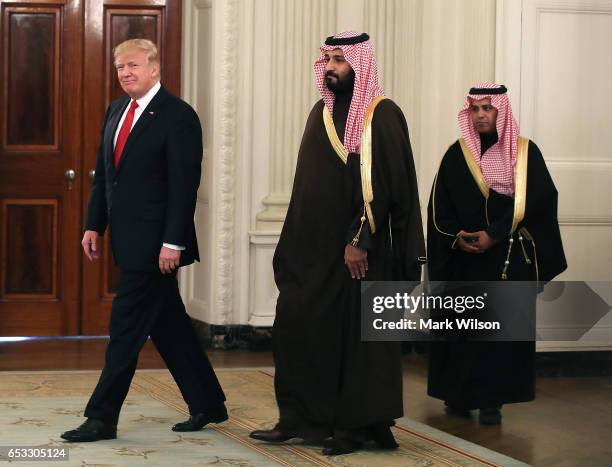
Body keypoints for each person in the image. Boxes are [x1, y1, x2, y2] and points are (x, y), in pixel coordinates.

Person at [249, 31, 425, 455]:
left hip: (359, 255)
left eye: (341, 60)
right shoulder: (321, 113)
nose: (331, 67)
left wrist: (360, 240)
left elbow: (386, 186)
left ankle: (359, 427)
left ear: (360, 65)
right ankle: (301, 418)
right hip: (313, 254)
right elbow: (308, 185)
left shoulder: (381, 116)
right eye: (327, 59)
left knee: (359, 343)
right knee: (298, 327)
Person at [61, 39, 226, 442]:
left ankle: (101, 417)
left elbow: (184, 187)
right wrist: (92, 224)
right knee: (169, 324)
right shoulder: (116, 111)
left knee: (125, 327)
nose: (125, 73)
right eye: (120, 67)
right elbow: (105, 177)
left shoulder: (179, 116)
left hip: (156, 246)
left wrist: (173, 243)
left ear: (155, 68)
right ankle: (207, 402)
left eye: (133, 65)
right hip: (127, 239)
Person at [426, 83, 566, 425]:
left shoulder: (524, 153)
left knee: (499, 337)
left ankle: (493, 403)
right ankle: (457, 397)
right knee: (462, 331)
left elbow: (538, 201)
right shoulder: (456, 154)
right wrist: (456, 238)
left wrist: (494, 234)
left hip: (507, 261)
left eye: (487, 108)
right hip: (464, 261)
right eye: (474, 109)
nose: (480, 115)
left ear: (501, 111)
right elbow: (438, 207)